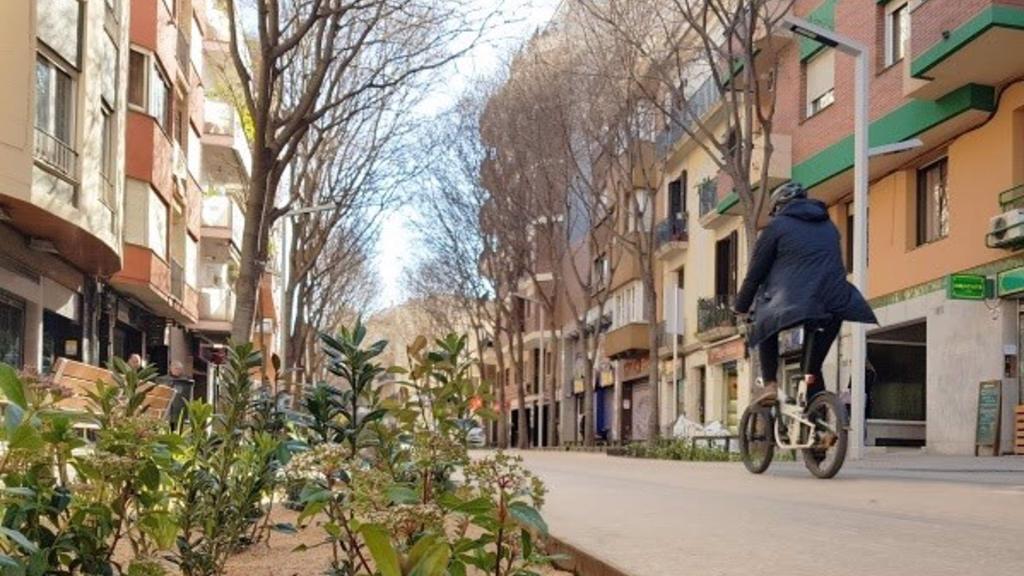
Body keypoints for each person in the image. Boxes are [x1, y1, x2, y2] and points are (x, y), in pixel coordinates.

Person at [734, 181, 877, 404]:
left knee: (764, 324)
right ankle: (821, 421)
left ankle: (770, 383)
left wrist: (741, 307)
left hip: (794, 302)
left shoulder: (776, 227)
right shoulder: (829, 226)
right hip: (836, 304)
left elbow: (755, 274)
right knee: (811, 369)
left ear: (778, 207)